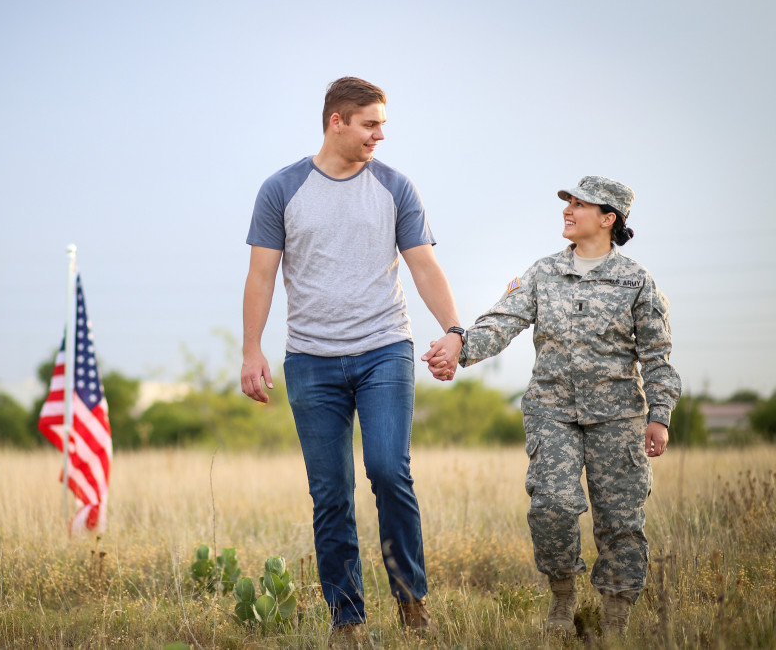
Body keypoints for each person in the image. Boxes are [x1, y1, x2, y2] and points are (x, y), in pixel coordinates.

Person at [240, 77, 464, 638]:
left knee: (389, 471)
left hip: (385, 350)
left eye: (382, 124)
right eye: (370, 124)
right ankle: (348, 619)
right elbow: (261, 274)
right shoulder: (281, 189)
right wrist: (251, 349)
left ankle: (412, 600)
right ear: (336, 121)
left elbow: (424, 266)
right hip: (311, 361)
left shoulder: (395, 187)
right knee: (330, 492)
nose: (379, 135)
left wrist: (454, 331)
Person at [424, 176, 681, 637]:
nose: (568, 210)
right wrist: (458, 347)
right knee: (552, 507)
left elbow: (658, 357)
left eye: (580, 205)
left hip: (619, 416)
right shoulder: (543, 273)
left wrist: (659, 415)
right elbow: (502, 322)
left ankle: (616, 617)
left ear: (608, 219)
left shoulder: (637, 281)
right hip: (552, 411)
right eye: (568, 202)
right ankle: (563, 600)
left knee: (621, 519)